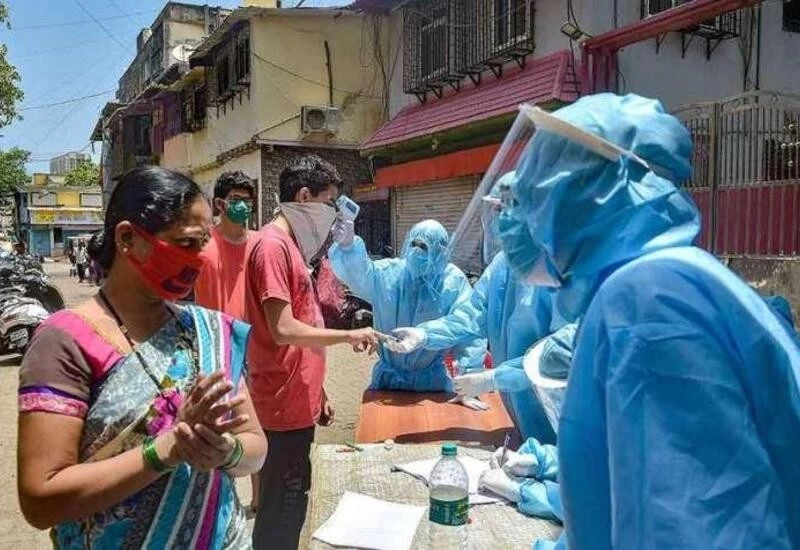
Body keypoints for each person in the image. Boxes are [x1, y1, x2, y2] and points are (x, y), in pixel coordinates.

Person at [495, 94, 800, 549]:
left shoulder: (649, 301)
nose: (519, 218)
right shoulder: (661, 284)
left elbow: (692, 530)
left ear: (585, 194)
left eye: (532, 197)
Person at [16, 166, 268, 549]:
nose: (199, 258)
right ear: (128, 238)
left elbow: (255, 449)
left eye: (203, 243)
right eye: (185, 243)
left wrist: (225, 451)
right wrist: (166, 450)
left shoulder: (208, 332)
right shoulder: (65, 342)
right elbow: (41, 498)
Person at [245, 155, 378, 549]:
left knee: (292, 503)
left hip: (297, 398)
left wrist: (316, 389)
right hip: (280, 405)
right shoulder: (272, 246)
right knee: (281, 512)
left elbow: (303, 321)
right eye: (329, 202)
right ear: (304, 197)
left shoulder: (289, 247)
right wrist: (348, 337)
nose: (333, 214)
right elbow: (283, 329)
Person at [385, 173, 563, 444]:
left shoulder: (557, 269)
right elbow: (471, 315)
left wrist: (495, 378)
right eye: (496, 210)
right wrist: (424, 334)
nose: (499, 220)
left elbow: (562, 353)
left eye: (505, 210)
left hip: (558, 415)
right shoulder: (502, 265)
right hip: (518, 414)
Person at [329, 218, 486, 392]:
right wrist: (349, 248)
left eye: (424, 247)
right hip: (388, 381)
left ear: (440, 251)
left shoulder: (452, 282)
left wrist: (469, 379)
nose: (417, 251)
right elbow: (360, 275)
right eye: (414, 244)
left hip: (432, 382)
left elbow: (469, 329)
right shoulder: (389, 273)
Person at [195, 170, 257, 321]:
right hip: (214, 331)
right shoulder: (202, 243)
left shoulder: (260, 244)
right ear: (219, 204)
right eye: (235, 199)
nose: (242, 205)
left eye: (247, 200)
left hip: (253, 333)